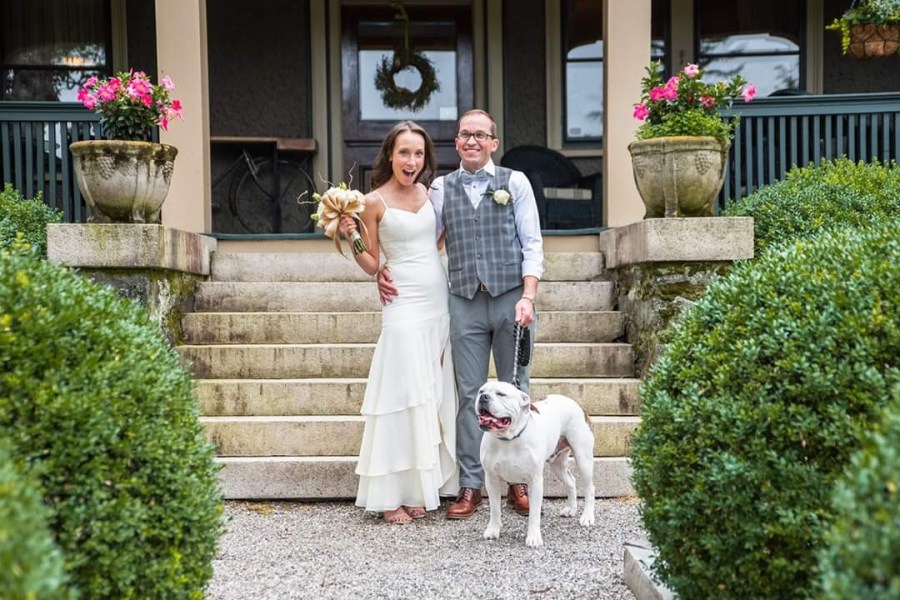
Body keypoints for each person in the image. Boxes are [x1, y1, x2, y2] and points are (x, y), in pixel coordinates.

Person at [378, 109, 544, 520]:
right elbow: (414, 237)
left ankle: (518, 482)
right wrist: (382, 268)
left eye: (480, 135)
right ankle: (471, 485)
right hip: (463, 301)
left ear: (493, 142)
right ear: (456, 143)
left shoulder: (515, 182)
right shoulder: (438, 188)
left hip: (510, 299)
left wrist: (528, 295)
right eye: (464, 135)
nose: (471, 141)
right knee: (470, 396)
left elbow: (532, 242)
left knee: (514, 388)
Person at [340, 121, 459, 524]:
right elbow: (371, 261)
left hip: (437, 300)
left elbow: (438, 240)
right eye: (405, 152)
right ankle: (389, 495)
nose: (412, 161)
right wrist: (352, 235)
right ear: (390, 154)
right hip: (402, 303)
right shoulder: (372, 202)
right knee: (401, 392)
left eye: (419, 154)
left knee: (430, 392)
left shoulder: (430, 193)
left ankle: (419, 489)